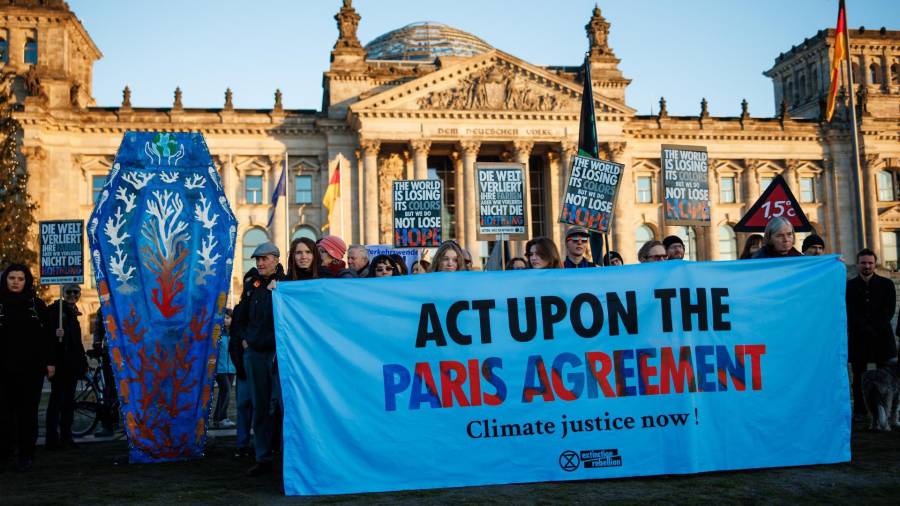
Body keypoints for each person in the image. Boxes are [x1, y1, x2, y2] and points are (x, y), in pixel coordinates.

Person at [231, 242, 285, 476]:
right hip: (254, 353)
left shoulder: (286, 282)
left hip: (277, 354)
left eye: (264, 259)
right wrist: (245, 340)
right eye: (257, 259)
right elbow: (240, 316)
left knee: (280, 406)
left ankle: (284, 456)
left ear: (275, 259)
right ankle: (262, 457)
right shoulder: (252, 285)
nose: (260, 263)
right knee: (259, 406)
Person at [0, 264, 54, 472]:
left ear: (27, 281)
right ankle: (4, 453)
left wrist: (50, 363)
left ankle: (26, 454)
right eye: (11, 278)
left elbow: (47, 337)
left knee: (27, 414)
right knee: (3, 413)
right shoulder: (1, 304)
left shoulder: (36, 305)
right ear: (5, 280)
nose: (15, 282)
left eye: (20, 278)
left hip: (30, 370)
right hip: (3, 370)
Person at [846, 248, 897, 420]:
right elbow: (849, 312)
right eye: (863, 263)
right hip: (859, 339)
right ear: (858, 264)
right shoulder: (849, 286)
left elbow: (888, 310)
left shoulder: (887, 284)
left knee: (888, 379)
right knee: (859, 378)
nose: (867, 266)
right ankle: (860, 411)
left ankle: (887, 413)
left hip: (882, 338)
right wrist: (863, 328)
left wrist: (874, 328)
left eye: (870, 263)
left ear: (875, 264)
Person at [45, 284, 87, 450]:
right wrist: (50, 362)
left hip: (72, 366)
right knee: (56, 402)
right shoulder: (56, 311)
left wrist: (82, 363)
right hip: (60, 365)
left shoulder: (74, 313)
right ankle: (52, 439)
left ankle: (66, 436)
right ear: (63, 293)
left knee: (69, 402)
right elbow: (48, 339)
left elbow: (77, 342)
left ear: (79, 294)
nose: (72, 295)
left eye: (75, 292)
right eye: (68, 292)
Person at [228, 302, 253, 458]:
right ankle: (243, 443)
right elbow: (235, 340)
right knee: (244, 405)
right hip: (244, 363)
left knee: (253, 407)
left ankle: (245, 443)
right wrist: (239, 365)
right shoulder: (240, 310)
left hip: (248, 360)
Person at [90, 307, 118, 438]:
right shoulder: (104, 306)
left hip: (127, 350)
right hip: (109, 352)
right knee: (109, 389)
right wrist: (96, 342)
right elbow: (98, 326)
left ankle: (116, 421)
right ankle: (108, 424)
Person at [211, 308, 236, 430]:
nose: (225, 320)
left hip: (231, 368)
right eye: (224, 318)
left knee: (224, 392)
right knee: (226, 391)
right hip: (220, 368)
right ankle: (222, 418)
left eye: (228, 318)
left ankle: (217, 419)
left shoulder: (234, 332)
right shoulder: (217, 332)